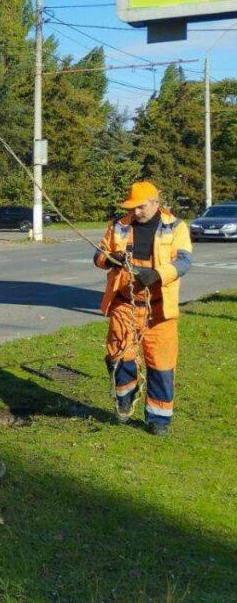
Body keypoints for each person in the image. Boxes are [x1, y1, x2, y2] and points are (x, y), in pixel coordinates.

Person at [93, 181, 192, 436]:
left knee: (161, 363)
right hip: (125, 305)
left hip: (159, 311)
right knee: (118, 354)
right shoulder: (118, 226)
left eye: (141, 207)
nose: (135, 212)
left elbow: (184, 262)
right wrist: (109, 260)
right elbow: (98, 256)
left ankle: (158, 420)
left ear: (156, 204)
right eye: (132, 207)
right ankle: (124, 398)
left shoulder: (176, 227)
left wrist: (157, 274)